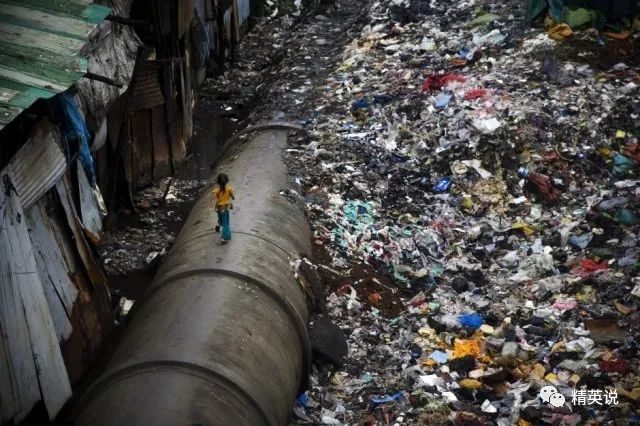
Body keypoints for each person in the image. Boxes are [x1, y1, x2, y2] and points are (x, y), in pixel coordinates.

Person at [209, 173, 235, 243]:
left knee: (220, 217)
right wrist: (232, 197)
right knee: (226, 223)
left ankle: (218, 224)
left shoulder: (216, 190)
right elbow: (233, 197)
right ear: (227, 181)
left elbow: (213, 199)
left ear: (218, 182)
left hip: (218, 208)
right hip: (225, 209)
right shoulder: (229, 189)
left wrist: (211, 207)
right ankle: (224, 238)